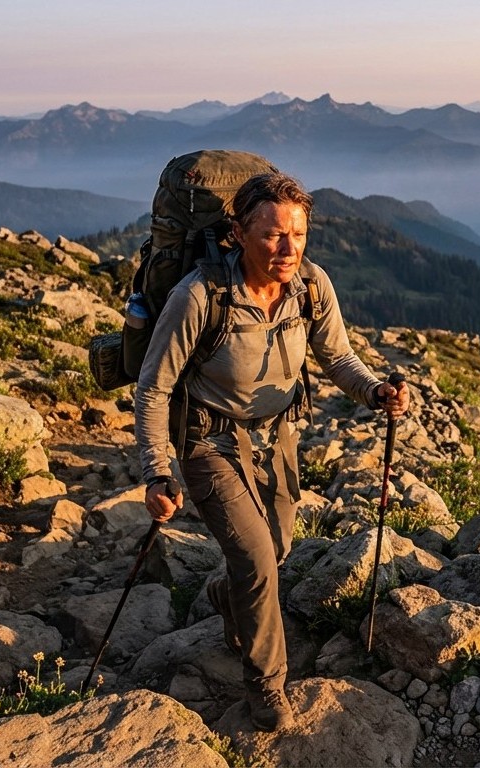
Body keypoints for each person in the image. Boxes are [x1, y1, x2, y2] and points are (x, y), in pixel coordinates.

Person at [134, 171, 409, 731]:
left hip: (276, 437)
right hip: (208, 441)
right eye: (272, 236)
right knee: (259, 560)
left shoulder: (311, 286)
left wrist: (374, 390)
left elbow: (338, 358)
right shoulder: (200, 297)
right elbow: (154, 388)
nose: (288, 249)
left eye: (299, 235)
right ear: (237, 233)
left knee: (276, 548)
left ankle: (227, 593)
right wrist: (158, 472)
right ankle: (267, 684)